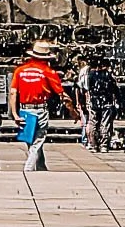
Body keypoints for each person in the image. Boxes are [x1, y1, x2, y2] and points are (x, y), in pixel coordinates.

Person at [9, 40, 77, 173]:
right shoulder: (48, 72)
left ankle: (41, 167)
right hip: (40, 109)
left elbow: (13, 92)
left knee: (31, 141)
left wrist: (15, 114)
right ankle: (28, 169)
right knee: (37, 141)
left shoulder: (20, 71)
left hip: (24, 110)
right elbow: (63, 96)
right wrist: (73, 112)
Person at [83, 55, 120, 155]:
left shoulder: (91, 75)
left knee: (92, 122)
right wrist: (118, 100)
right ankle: (104, 144)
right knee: (105, 123)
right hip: (106, 102)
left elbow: (88, 88)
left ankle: (93, 144)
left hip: (94, 101)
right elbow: (115, 89)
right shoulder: (108, 75)